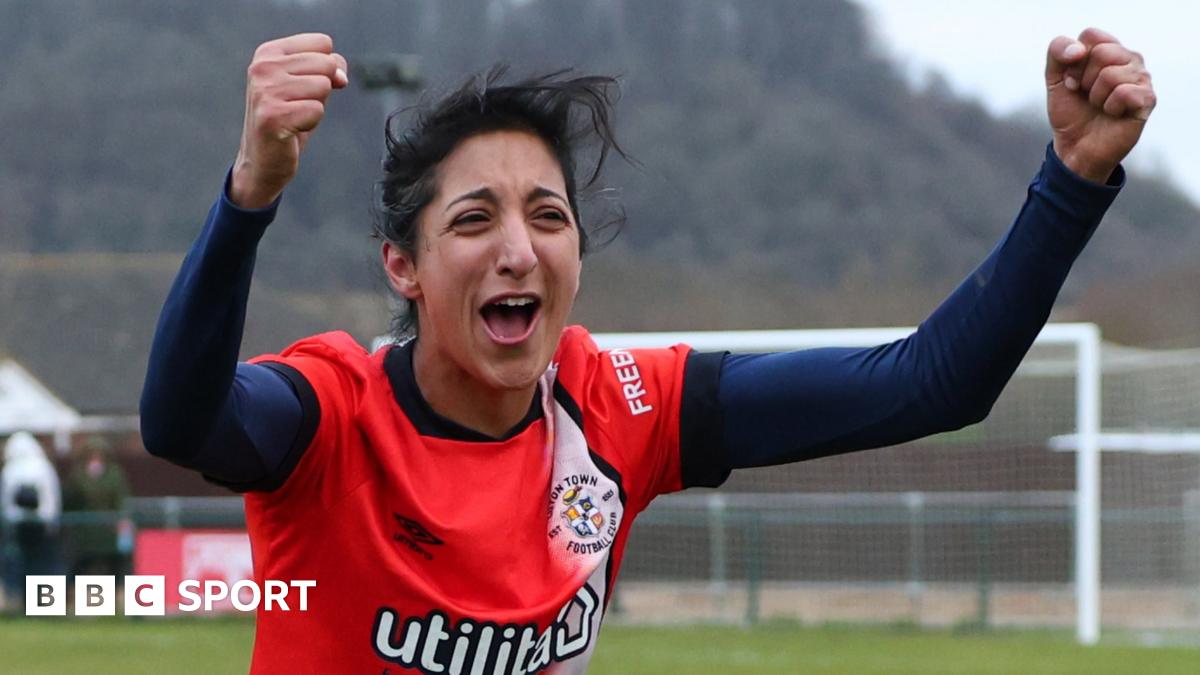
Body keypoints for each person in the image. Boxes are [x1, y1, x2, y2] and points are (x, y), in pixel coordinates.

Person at [141, 28, 1153, 674]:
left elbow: (934, 383)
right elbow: (182, 420)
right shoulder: (331, 412)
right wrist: (250, 196)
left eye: (547, 215)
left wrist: (1068, 181)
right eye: (472, 220)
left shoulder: (625, 408)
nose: (517, 248)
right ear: (402, 268)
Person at [1, 431, 62, 608]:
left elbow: (6, 501)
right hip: (41, 525)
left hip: (19, 526)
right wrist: (51, 520)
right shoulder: (44, 467)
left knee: (23, 566)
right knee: (41, 565)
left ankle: (22, 603)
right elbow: (52, 498)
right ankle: (45, 604)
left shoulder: (10, 469)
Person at [63, 436, 132, 579]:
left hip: (108, 530)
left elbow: (120, 498)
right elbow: (72, 499)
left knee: (113, 566)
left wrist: (121, 521)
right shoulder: (78, 474)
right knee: (81, 566)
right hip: (84, 532)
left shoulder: (114, 473)